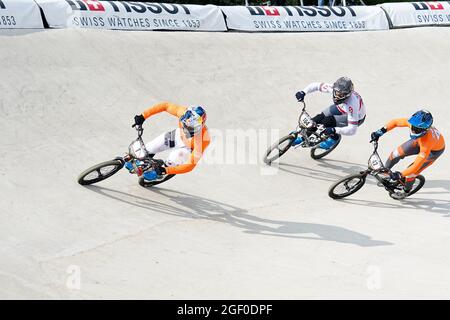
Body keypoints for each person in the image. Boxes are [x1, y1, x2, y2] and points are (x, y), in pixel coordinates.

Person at [370, 109, 445, 197]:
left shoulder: (427, 143)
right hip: (419, 140)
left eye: (416, 129)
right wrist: (380, 131)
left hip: (433, 151)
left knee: (411, 173)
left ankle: (406, 191)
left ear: (425, 129)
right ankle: (386, 175)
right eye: (412, 127)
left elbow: (416, 165)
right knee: (395, 154)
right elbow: (395, 122)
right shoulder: (415, 123)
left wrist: (400, 174)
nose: (413, 130)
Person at [127, 102, 210, 181]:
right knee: (151, 147)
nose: (186, 129)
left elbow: (190, 166)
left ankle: (160, 172)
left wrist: (165, 170)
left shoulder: (203, 140)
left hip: (188, 148)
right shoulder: (182, 112)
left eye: (191, 128)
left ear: (200, 126)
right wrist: (143, 116)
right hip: (178, 136)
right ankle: (141, 161)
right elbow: (165, 106)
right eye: (184, 125)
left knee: (175, 157)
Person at [294, 76, 366, 150]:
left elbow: (352, 130)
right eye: (336, 93)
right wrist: (303, 91)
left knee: (328, 122)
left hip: (356, 117)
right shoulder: (335, 88)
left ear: (347, 95)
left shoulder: (352, 105)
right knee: (319, 118)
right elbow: (316, 85)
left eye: (340, 95)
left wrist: (334, 130)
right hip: (342, 107)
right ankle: (303, 138)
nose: (337, 96)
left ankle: (334, 138)